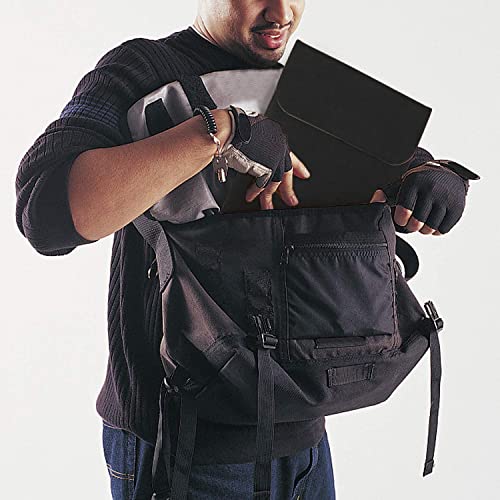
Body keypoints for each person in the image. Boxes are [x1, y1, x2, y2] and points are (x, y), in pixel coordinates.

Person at [15, 1, 472, 498]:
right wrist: (223, 131)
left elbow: (391, 166)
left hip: (302, 431)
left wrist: (430, 178)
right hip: (185, 445)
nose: (280, 12)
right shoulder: (141, 70)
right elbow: (45, 215)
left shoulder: (302, 83)